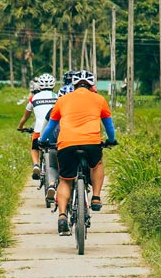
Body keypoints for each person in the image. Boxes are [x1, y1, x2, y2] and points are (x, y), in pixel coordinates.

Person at [38, 69, 117, 236]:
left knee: (65, 180)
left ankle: (61, 216)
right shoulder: (99, 99)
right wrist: (111, 140)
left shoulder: (63, 100)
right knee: (96, 165)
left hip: (66, 144)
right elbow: (109, 127)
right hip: (92, 143)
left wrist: (42, 140)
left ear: (73, 85)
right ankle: (95, 197)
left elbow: (51, 127)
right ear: (92, 85)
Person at [16, 73, 59, 183]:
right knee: (56, 151)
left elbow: (25, 116)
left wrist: (21, 126)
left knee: (34, 148)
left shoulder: (33, 98)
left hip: (39, 130)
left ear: (39, 86)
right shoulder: (57, 97)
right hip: (54, 131)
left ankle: (36, 165)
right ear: (53, 86)